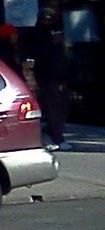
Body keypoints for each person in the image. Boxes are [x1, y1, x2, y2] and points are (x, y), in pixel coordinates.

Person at [32, 13, 71, 151]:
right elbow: (38, 55)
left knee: (62, 109)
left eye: (50, 19)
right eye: (46, 19)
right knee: (53, 108)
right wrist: (52, 43)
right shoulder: (39, 36)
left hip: (61, 77)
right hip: (47, 78)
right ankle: (57, 138)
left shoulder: (59, 38)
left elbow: (64, 58)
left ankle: (50, 131)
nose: (48, 22)